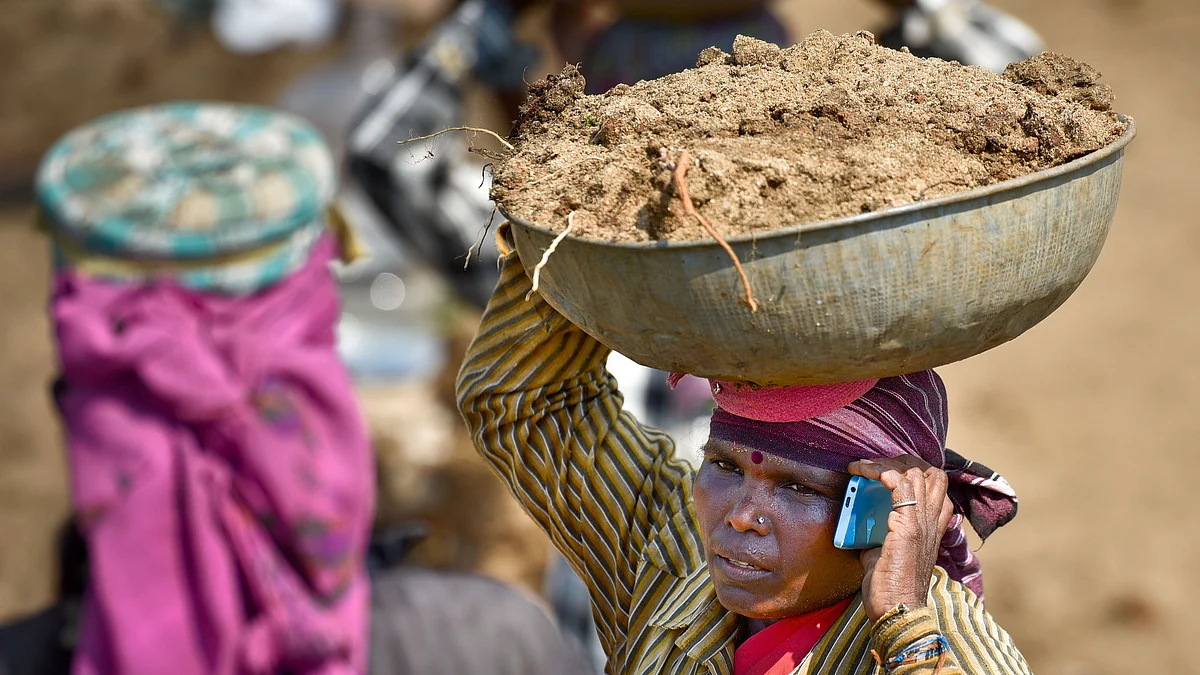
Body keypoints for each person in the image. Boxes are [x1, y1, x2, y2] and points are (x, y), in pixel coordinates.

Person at [456, 224, 1031, 675]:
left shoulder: (949, 645)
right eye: (723, 466)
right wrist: (566, 238)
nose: (737, 515)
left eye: (799, 488)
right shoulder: (667, 562)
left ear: (880, 515)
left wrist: (901, 617)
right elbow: (525, 403)